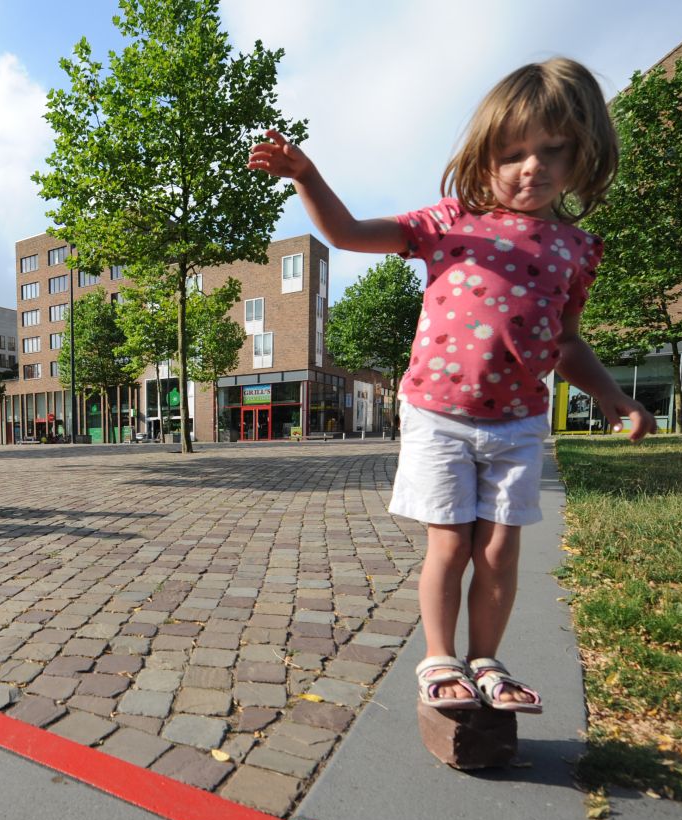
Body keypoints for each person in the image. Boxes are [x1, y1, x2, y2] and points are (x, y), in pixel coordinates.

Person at [249, 57, 655, 714]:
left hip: (520, 420)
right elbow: (348, 234)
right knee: (452, 539)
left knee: (498, 546)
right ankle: (440, 657)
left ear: (583, 155)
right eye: (513, 152)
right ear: (484, 156)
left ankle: (486, 658)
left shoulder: (576, 248)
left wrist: (612, 394)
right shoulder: (449, 223)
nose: (533, 167)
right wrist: (307, 175)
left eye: (553, 151)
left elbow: (567, 341)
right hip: (439, 413)